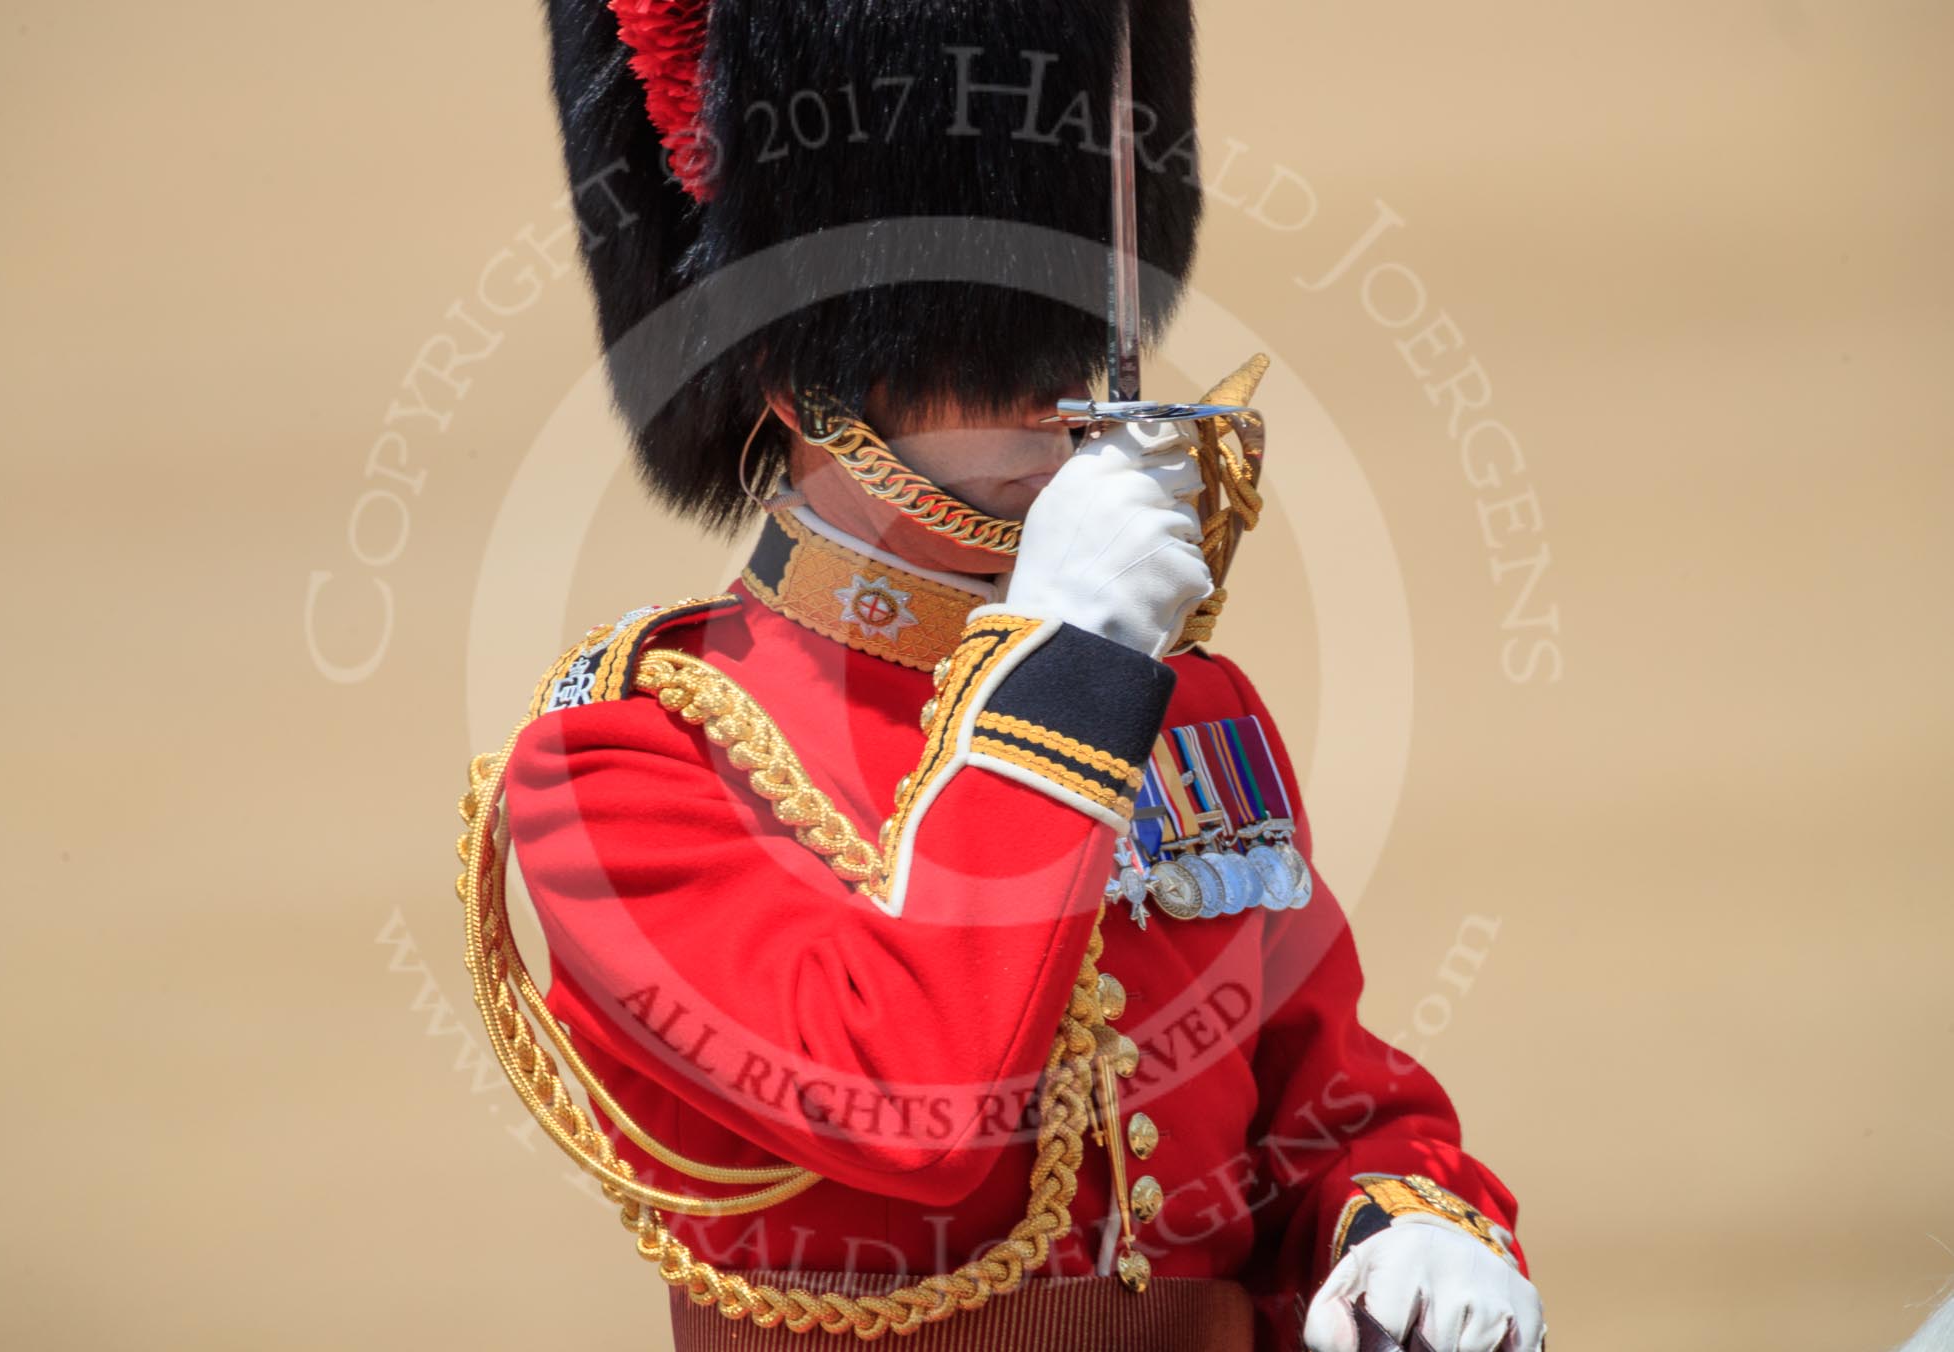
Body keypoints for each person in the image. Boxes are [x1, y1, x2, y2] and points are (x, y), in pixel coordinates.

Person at [469, 1, 1549, 1348]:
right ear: (802, 377)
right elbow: (912, 1102)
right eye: (990, 356)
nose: (1065, 400)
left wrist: (1407, 1229)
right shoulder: (627, 767)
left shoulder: (1190, 710)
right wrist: (1064, 667)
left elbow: (1321, 1108)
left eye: (1069, 341)